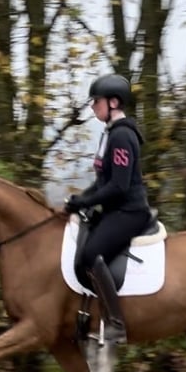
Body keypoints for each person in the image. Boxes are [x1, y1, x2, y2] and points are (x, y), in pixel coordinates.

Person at [64, 74, 152, 347]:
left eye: (97, 102)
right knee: (81, 246)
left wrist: (86, 203)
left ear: (114, 102)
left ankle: (116, 324)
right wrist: (81, 198)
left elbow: (119, 186)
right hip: (116, 210)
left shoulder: (123, 136)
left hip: (130, 212)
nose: (93, 107)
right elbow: (102, 182)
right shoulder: (110, 133)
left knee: (91, 255)